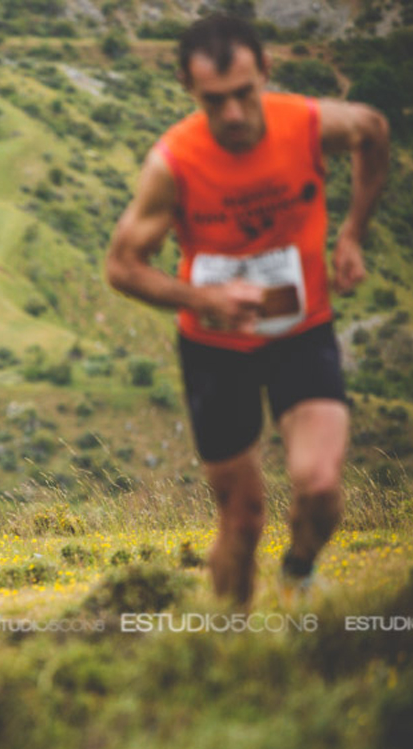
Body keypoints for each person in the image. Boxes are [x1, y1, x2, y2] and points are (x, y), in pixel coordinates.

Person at [104, 15, 389, 605]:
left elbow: (374, 130)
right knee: (242, 517)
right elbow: (123, 266)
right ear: (187, 85)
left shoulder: (308, 125)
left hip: (300, 329)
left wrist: (353, 234)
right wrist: (205, 298)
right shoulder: (174, 164)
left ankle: (298, 573)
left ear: (265, 71)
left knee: (320, 486)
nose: (232, 114)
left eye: (243, 94)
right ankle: (230, 643)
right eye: (214, 101)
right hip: (215, 349)